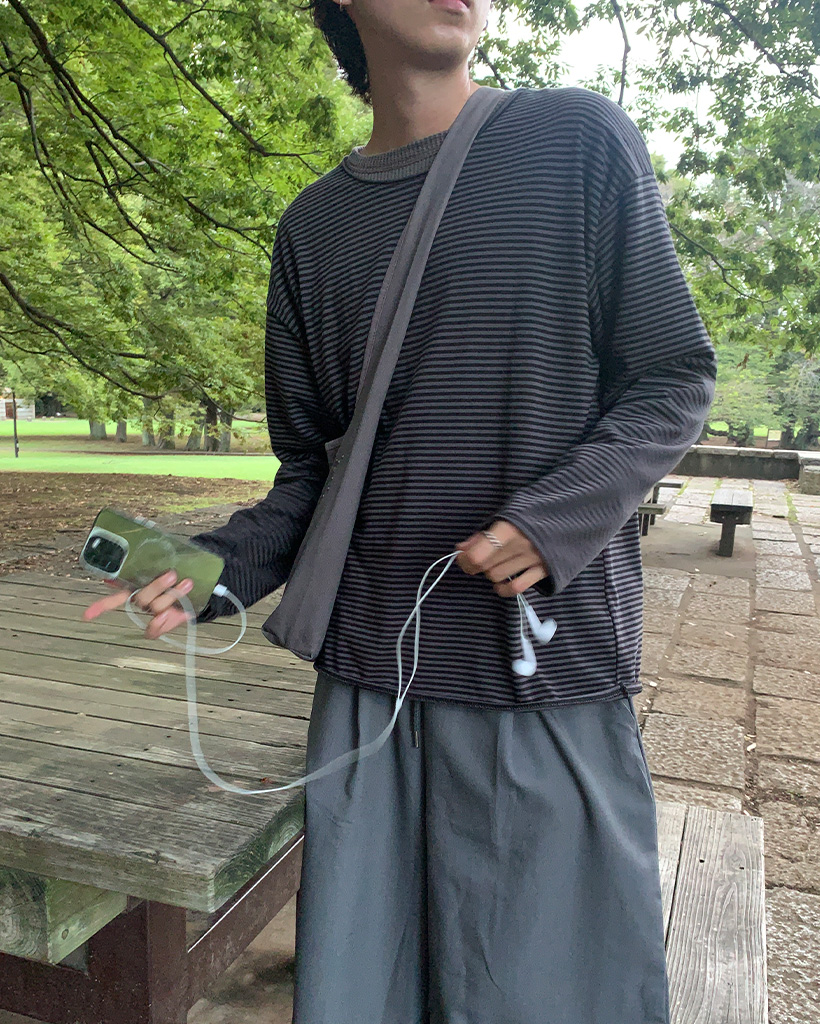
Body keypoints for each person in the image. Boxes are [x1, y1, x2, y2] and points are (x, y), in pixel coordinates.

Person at [86, 1, 717, 1021]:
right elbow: (312, 475)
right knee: (364, 997)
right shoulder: (312, 228)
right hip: (367, 691)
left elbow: (672, 375)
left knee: (546, 998)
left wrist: (556, 519)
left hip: (534, 673)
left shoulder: (573, 140)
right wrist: (204, 574)